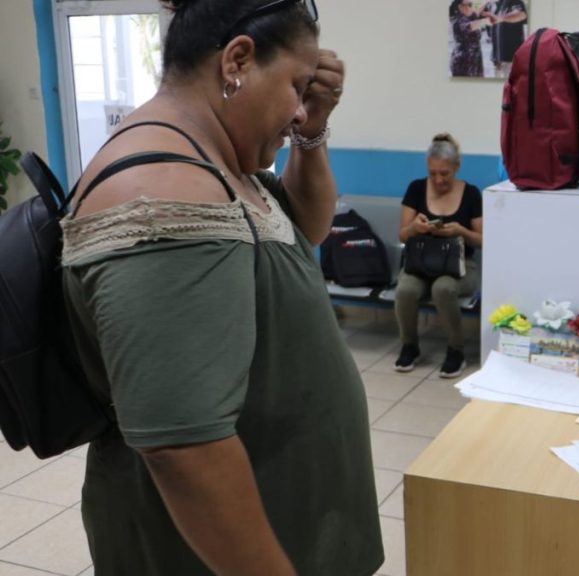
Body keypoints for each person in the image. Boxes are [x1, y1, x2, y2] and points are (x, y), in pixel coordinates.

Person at [60, 0, 383, 574]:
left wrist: (313, 128)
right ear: (237, 60)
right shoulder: (165, 191)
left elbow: (305, 231)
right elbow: (183, 448)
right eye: (294, 86)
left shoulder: (218, 161)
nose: (297, 110)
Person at [394, 133, 483, 378]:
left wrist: (461, 231)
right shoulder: (415, 189)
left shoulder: (472, 194)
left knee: (443, 288)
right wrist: (415, 228)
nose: (438, 179)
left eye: (444, 173)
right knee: (405, 290)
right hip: (420, 263)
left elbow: (482, 240)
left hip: (460, 266)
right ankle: (409, 345)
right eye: (433, 173)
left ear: (456, 167)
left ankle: (456, 350)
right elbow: (402, 235)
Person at [483, 0, 527, 77]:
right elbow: (478, 14)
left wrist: (501, 18)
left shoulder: (516, 2)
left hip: (511, 59)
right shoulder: (497, 4)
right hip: (497, 59)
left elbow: (521, 15)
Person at [448, 0, 489, 77]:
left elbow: (477, 12)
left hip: (473, 60)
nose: (472, 7)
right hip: (464, 63)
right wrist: (485, 21)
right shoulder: (458, 20)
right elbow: (470, 26)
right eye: (469, 5)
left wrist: (486, 2)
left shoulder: (469, 16)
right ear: (460, 7)